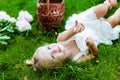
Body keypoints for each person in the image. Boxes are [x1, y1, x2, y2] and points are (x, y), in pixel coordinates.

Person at [26, 0, 120, 70]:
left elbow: (73, 30)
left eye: (49, 48)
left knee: (102, 9)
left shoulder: (61, 40)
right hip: (97, 34)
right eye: (53, 56)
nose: (55, 49)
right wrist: (91, 45)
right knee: (114, 20)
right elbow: (93, 54)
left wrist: (75, 29)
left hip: (85, 22)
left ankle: (108, 4)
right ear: (58, 65)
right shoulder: (76, 60)